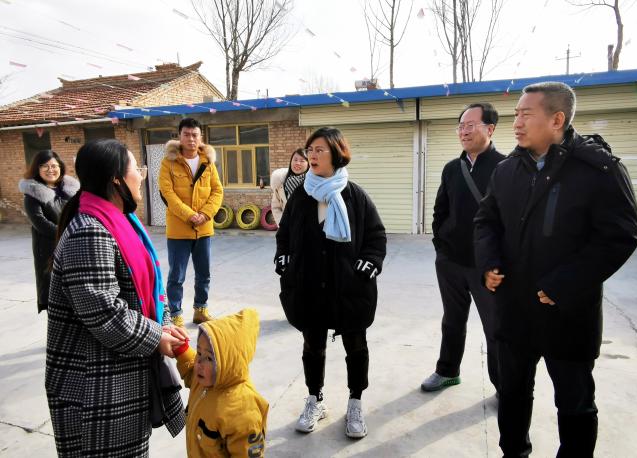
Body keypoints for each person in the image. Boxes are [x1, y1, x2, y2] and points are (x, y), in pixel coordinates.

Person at [474, 82, 637, 457]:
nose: (516, 122)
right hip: (515, 310)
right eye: (516, 114)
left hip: (568, 313)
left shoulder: (599, 170)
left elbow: (620, 235)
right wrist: (489, 263)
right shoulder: (506, 170)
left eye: (526, 114)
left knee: (575, 403)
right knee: (513, 396)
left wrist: (565, 284)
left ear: (557, 119)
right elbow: (486, 221)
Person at [46, 139, 187, 457]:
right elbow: (105, 313)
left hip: (120, 379)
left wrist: (164, 324)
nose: (142, 175)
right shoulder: (89, 232)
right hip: (95, 390)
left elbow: (151, 287)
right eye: (137, 168)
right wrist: (157, 336)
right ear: (116, 179)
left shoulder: (121, 222)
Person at [275, 127, 387, 439]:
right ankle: (316, 399)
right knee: (313, 346)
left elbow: (376, 236)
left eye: (319, 150)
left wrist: (368, 265)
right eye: (310, 149)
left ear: (336, 154)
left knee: (356, 346)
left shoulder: (355, 196)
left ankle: (355, 402)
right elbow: (285, 235)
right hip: (309, 286)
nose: (312, 155)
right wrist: (284, 259)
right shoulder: (301, 195)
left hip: (349, 287)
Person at [421, 103, 505, 394]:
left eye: (471, 125)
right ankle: (447, 371)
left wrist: (497, 262)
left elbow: (512, 222)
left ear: (490, 129)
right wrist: (441, 247)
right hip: (451, 261)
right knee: (452, 320)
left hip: (487, 267)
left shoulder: (506, 167)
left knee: (495, 327)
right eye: (461, 126)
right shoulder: (452, 169)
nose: (464, 131)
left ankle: (502, 385)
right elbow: (440, 211)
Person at [174, 308, 268, 457]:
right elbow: (191, 369)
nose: (199, 363)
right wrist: (181, 349)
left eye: (209, 358)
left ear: (230, 363)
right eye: (199, 352)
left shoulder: (243, 411)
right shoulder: (202, 380)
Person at [159, 117, 223, 327]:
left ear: (200, 137)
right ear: (179, 136)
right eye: (186, 134)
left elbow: (217, 191)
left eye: (195, 135)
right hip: (179, 230)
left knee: (204, 273)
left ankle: (200, 310)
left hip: (204, 229)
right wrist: (189, 215)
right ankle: (175, 314)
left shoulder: (207, 162)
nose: (191, 139)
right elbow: (167, 194)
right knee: (176, 276)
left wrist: (205, 214)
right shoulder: (168, 162)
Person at [19, 150, 79, 313]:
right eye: (45, 166)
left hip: (73, 244)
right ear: (36, 169)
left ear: (60, 167)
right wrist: (68, 234)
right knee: (54, 289)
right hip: (48, 247)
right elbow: (40, 223)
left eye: (54, 166)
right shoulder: (32, 193)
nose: (50, 169)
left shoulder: (71, 190)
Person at [270, 148, 309, 225]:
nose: (297, 163)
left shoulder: (314, 183)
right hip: (288, 228)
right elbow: (276, 207)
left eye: (302, 161)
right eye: (295, 160)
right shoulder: (280, 183)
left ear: (308, 164)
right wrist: (283, 224)